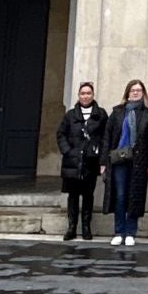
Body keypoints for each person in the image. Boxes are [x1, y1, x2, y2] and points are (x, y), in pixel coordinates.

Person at [103, 80, 148, 247]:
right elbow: (107, 137)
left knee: (134, 196)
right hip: (119, 160)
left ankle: (131, 232)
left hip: (139, 161)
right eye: (133, 90)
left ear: (143, 93)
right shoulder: (117, 112)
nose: (136, 93)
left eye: (139, 90)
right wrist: (103, 162)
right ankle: (119, 231)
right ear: (127, 93)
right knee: (120, 196)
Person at [56, 82, 108, 242]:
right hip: (72, 161)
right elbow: (61, 134)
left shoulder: (100, 114)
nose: (85, 96)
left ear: (93, 95)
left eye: (88, 93)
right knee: (72, 195)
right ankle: (72, 227)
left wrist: (99, 153)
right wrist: (67, 151)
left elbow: (106, 136)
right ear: (79, 96)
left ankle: (86, 227)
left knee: (87, 195)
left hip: (90, 162)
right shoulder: (70, 115)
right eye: (82, 93)